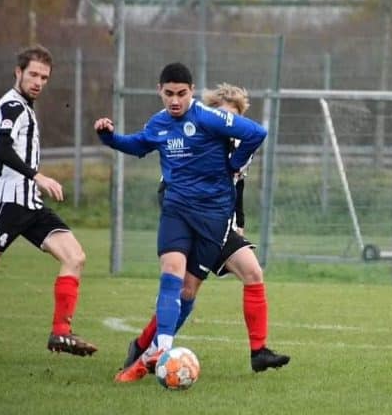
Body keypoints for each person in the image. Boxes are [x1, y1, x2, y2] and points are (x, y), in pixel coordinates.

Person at [95, 64, 267, 382]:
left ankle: (144, 347)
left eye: (181, 94)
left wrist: (235, 164)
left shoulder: (212, 124)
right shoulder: (162, 125)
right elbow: (137, 146)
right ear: (160, 90)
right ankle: (162, 348)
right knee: (172, 271)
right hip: (178, 212)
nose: (175, 100)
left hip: (215, 223)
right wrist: (110, 138)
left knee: (188, 291)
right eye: (169, 93)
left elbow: (254, 141)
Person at [122, 83, 289, 373]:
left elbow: (237, 187)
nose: (227, 125)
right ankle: (145, 348)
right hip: (199, 223)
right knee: (186, 291)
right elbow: (168, 188)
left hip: (222, 225)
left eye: (233, 119)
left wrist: (239, 225)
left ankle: (258, 352)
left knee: (252, 272)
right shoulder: (196, 142)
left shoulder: (238, 148)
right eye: (222, 116)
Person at [0, 44, 97, 356]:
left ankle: (61, 333)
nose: (38, 81)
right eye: (32, 74)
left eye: (44, 77)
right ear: (18, 72)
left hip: (30, 204)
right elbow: (1, 148)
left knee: (74, 257)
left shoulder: (23, 107)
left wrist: (19, 179)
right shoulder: (12, 106)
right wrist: (34, 176)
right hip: (11, 203)